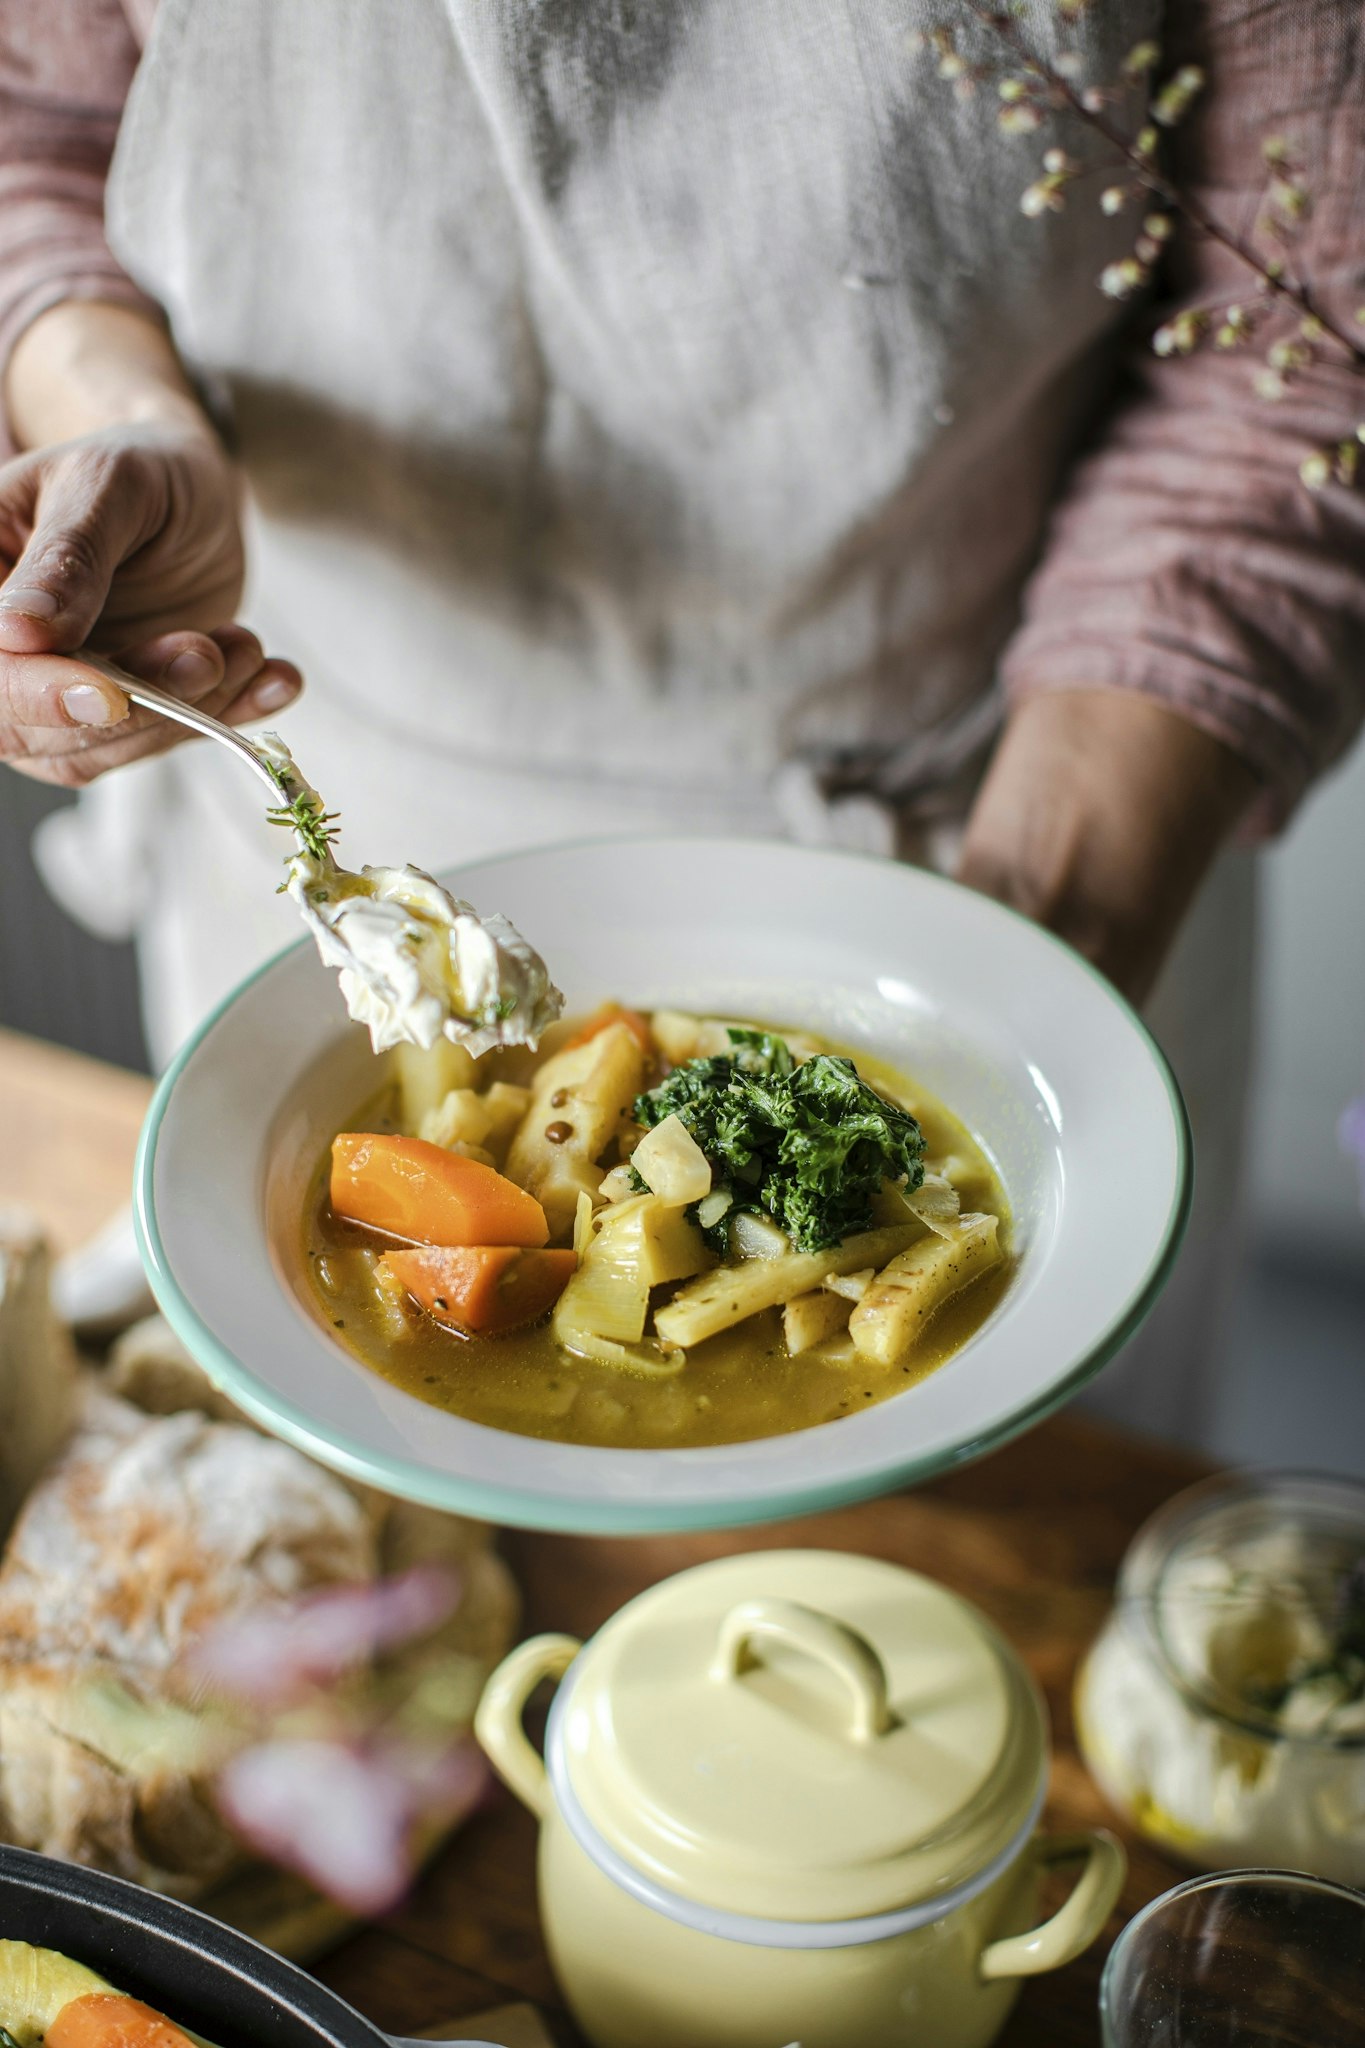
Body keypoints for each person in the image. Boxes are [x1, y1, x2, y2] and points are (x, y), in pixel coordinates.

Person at [0, 1, 1361, 1440]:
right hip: (336, 838)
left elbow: (1301, 336)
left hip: (1042, 809)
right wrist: (126, 414)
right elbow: (38, 122)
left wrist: (1016, 980)